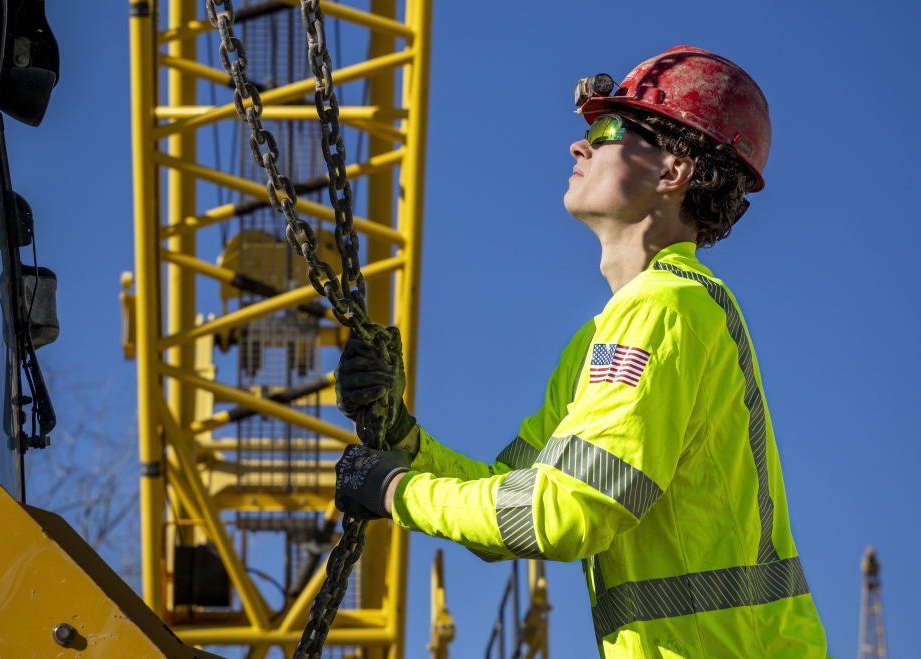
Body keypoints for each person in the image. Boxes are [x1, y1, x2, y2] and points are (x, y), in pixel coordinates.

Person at [332, 46, 829, 658]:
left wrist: (393, 491)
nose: (580, 145)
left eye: (609, 129)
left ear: (673, 171)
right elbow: (515, 495)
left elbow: (566, 514)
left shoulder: (666, 310)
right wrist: (405, 441)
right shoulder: (604, 336)